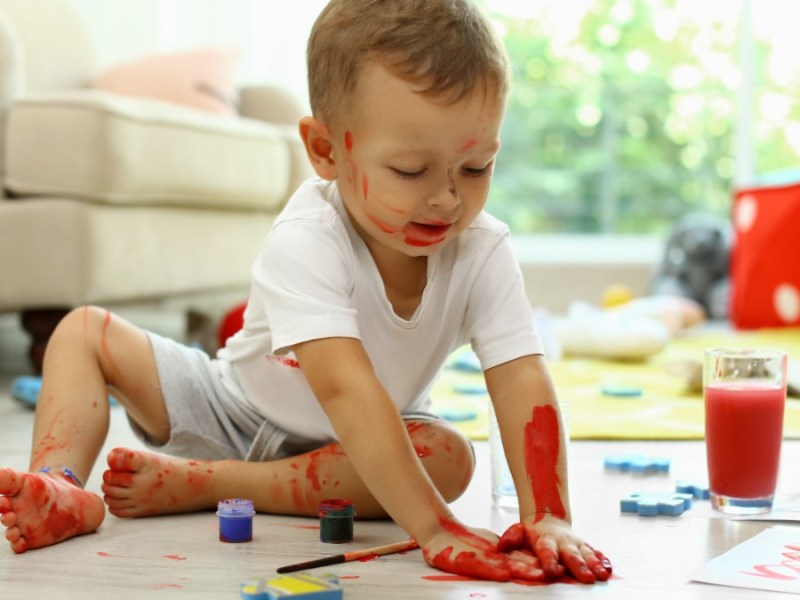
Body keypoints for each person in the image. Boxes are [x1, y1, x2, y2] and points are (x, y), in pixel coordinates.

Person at [0, 0, 611, 584]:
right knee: (81, 331)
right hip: (229, 412)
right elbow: (344, 386)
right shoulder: (307, 236)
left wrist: (548, 515)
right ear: (325, 151)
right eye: (409, 170)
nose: (449, 198)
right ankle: (62, 487)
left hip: (366, 449)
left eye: (475, 168)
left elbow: (521, 375)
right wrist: (434, 529)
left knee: (451, 456)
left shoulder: (483, 249)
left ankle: (209, 482)